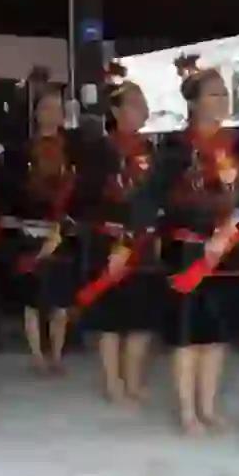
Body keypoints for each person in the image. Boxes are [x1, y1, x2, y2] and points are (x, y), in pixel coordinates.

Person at [120, 55, 239, 434]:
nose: (223, 100)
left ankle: (209, 407)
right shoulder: (176, 149)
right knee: (187, 337)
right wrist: (133, 235)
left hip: (229, 250)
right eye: (214, 94)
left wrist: (238, 223)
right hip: (187, 252)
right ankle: (187, 411)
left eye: (225, 93)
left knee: (216, 336)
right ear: (195, 101)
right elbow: (150, 196)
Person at [78, 62, 158, 404]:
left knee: (140, 317)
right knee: (110, 318)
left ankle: (134, 379)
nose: (143, 110)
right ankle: (113, 382)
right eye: (135, 103)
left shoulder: (152, 150)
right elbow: (86, 198)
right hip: (109, 242)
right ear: (116, 110)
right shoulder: (99, 150)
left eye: (144, 103)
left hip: (143, 242)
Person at [0, 76, 78, 375]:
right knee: (32, 299)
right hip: (29, 230)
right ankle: (37, 356)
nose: (52, 114)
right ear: (37, 114)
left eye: (57, 108)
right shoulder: (21, 151)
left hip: (62, 231)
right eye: (46, 108)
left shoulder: (73, 150)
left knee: (60, 302)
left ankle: (56, 355)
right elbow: (9, 190)